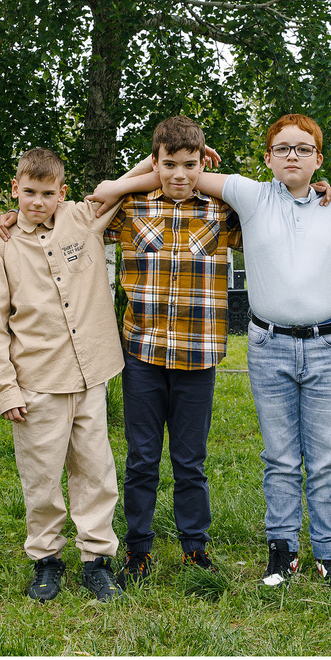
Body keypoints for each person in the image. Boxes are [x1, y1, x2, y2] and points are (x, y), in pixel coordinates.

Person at [147, 117, 331, 586]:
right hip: (269, 344)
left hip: (328, 345)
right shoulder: (251, 194)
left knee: (326, 458)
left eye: (303, 149)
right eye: (282, 149)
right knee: (280, 457)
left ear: (319, 159)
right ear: (268, 158)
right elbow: (176, 171)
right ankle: (282, 551)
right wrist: (178, 154)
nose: (292, 156)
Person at [85, 119, 241, 581]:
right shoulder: (131, 205)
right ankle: (138, 549)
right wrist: (142, 172)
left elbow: (271, 204)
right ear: (154, 163)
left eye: (190, 165)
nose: (179, 174)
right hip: (143, 354)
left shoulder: (221, 210)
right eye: (168, 164)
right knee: (142, 458)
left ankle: (195, 547)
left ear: (202, 165)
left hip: (198, 355)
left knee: (190, 461)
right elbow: (93, 203)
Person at [0, 148, 129, 601]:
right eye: (29, 192)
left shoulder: (82, 218)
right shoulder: (1, 242)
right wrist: (6, 387)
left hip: (90, 374)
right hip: (37, 379)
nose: (37, 202)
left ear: (62, 193)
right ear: (15, 189)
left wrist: (166, 157)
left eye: (48, 194)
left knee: (96, 471)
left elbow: (125, 182)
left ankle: (96, 559)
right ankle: (46, 559)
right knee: (41, 476)